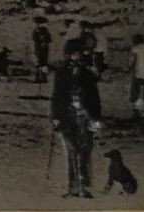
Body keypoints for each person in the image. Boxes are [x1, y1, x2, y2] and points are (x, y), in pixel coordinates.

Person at [52, 38, 102, 198]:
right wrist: (55, 117)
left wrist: (96, 118)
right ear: (68, 55)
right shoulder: (61, 73)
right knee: (72, 151)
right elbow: (57, 97)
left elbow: (95, 98)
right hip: (67, 117)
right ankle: (73, 186)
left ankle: (84, 186)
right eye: (74, 54)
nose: (77, 57)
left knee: (84, 151)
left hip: (85, 117)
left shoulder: (88, 74)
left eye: (79, 54)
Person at [129, 34, 144, 130]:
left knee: (134, 93)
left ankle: (135, 112)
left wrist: (131, 69)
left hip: (138, 74)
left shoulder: (135, 49)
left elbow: (133, 62)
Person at [31, 17, 53, 83]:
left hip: (44, 50)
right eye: (37, 24)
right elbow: (34, 39)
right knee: (38, 63)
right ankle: (37, 78)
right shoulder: (35, 31)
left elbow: (49, 39)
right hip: (38, 49)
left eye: (39, 23)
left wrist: (45, 41)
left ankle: (43, 77)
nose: (38, 25)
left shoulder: (45, 31)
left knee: (44, 63)